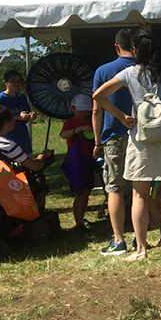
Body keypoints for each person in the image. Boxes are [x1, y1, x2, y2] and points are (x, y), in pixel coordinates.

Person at [93, 30, 161, 261]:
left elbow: (98, 95)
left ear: (135, 50)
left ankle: (141, 250)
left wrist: (122, 116)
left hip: (140, 139)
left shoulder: (129, 73)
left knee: (139, 196)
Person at [92, 29, 137, 256]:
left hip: (113, 135)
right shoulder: (146, 69)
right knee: (141, 186)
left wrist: (97, 140)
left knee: (115, 188)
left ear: (117, 47)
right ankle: (140, 236)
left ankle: (118, 240)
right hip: (142, 135)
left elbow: (96, 109)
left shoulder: (104, 71)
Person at [59, 94, 96, 232]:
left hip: (89, 159)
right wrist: (79, 129)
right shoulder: (70, 122)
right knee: (79, 193)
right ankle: (78, 222)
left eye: (86, 111)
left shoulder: (91, 120)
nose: (83, 114)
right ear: (73, 109)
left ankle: (81, 218)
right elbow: (63, 135)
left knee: (86, 191)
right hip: (77, 160)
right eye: (80, 111)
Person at [0, 106, 52, 172]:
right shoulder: (9, 146)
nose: (14, 120)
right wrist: (43, 155)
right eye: (12, 118)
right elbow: (34, 166)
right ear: (6, 124)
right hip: (0, 185)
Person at [0, 69, 35, 156]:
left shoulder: (22, 98)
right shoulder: (0, 99)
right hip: (8, 138)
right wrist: (17, 117)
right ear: (5, 83)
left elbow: (26, 117)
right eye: (13, 81)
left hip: (22, 136)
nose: (17, 84)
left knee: (29, 162)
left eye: (19, 81)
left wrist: (30, 116)